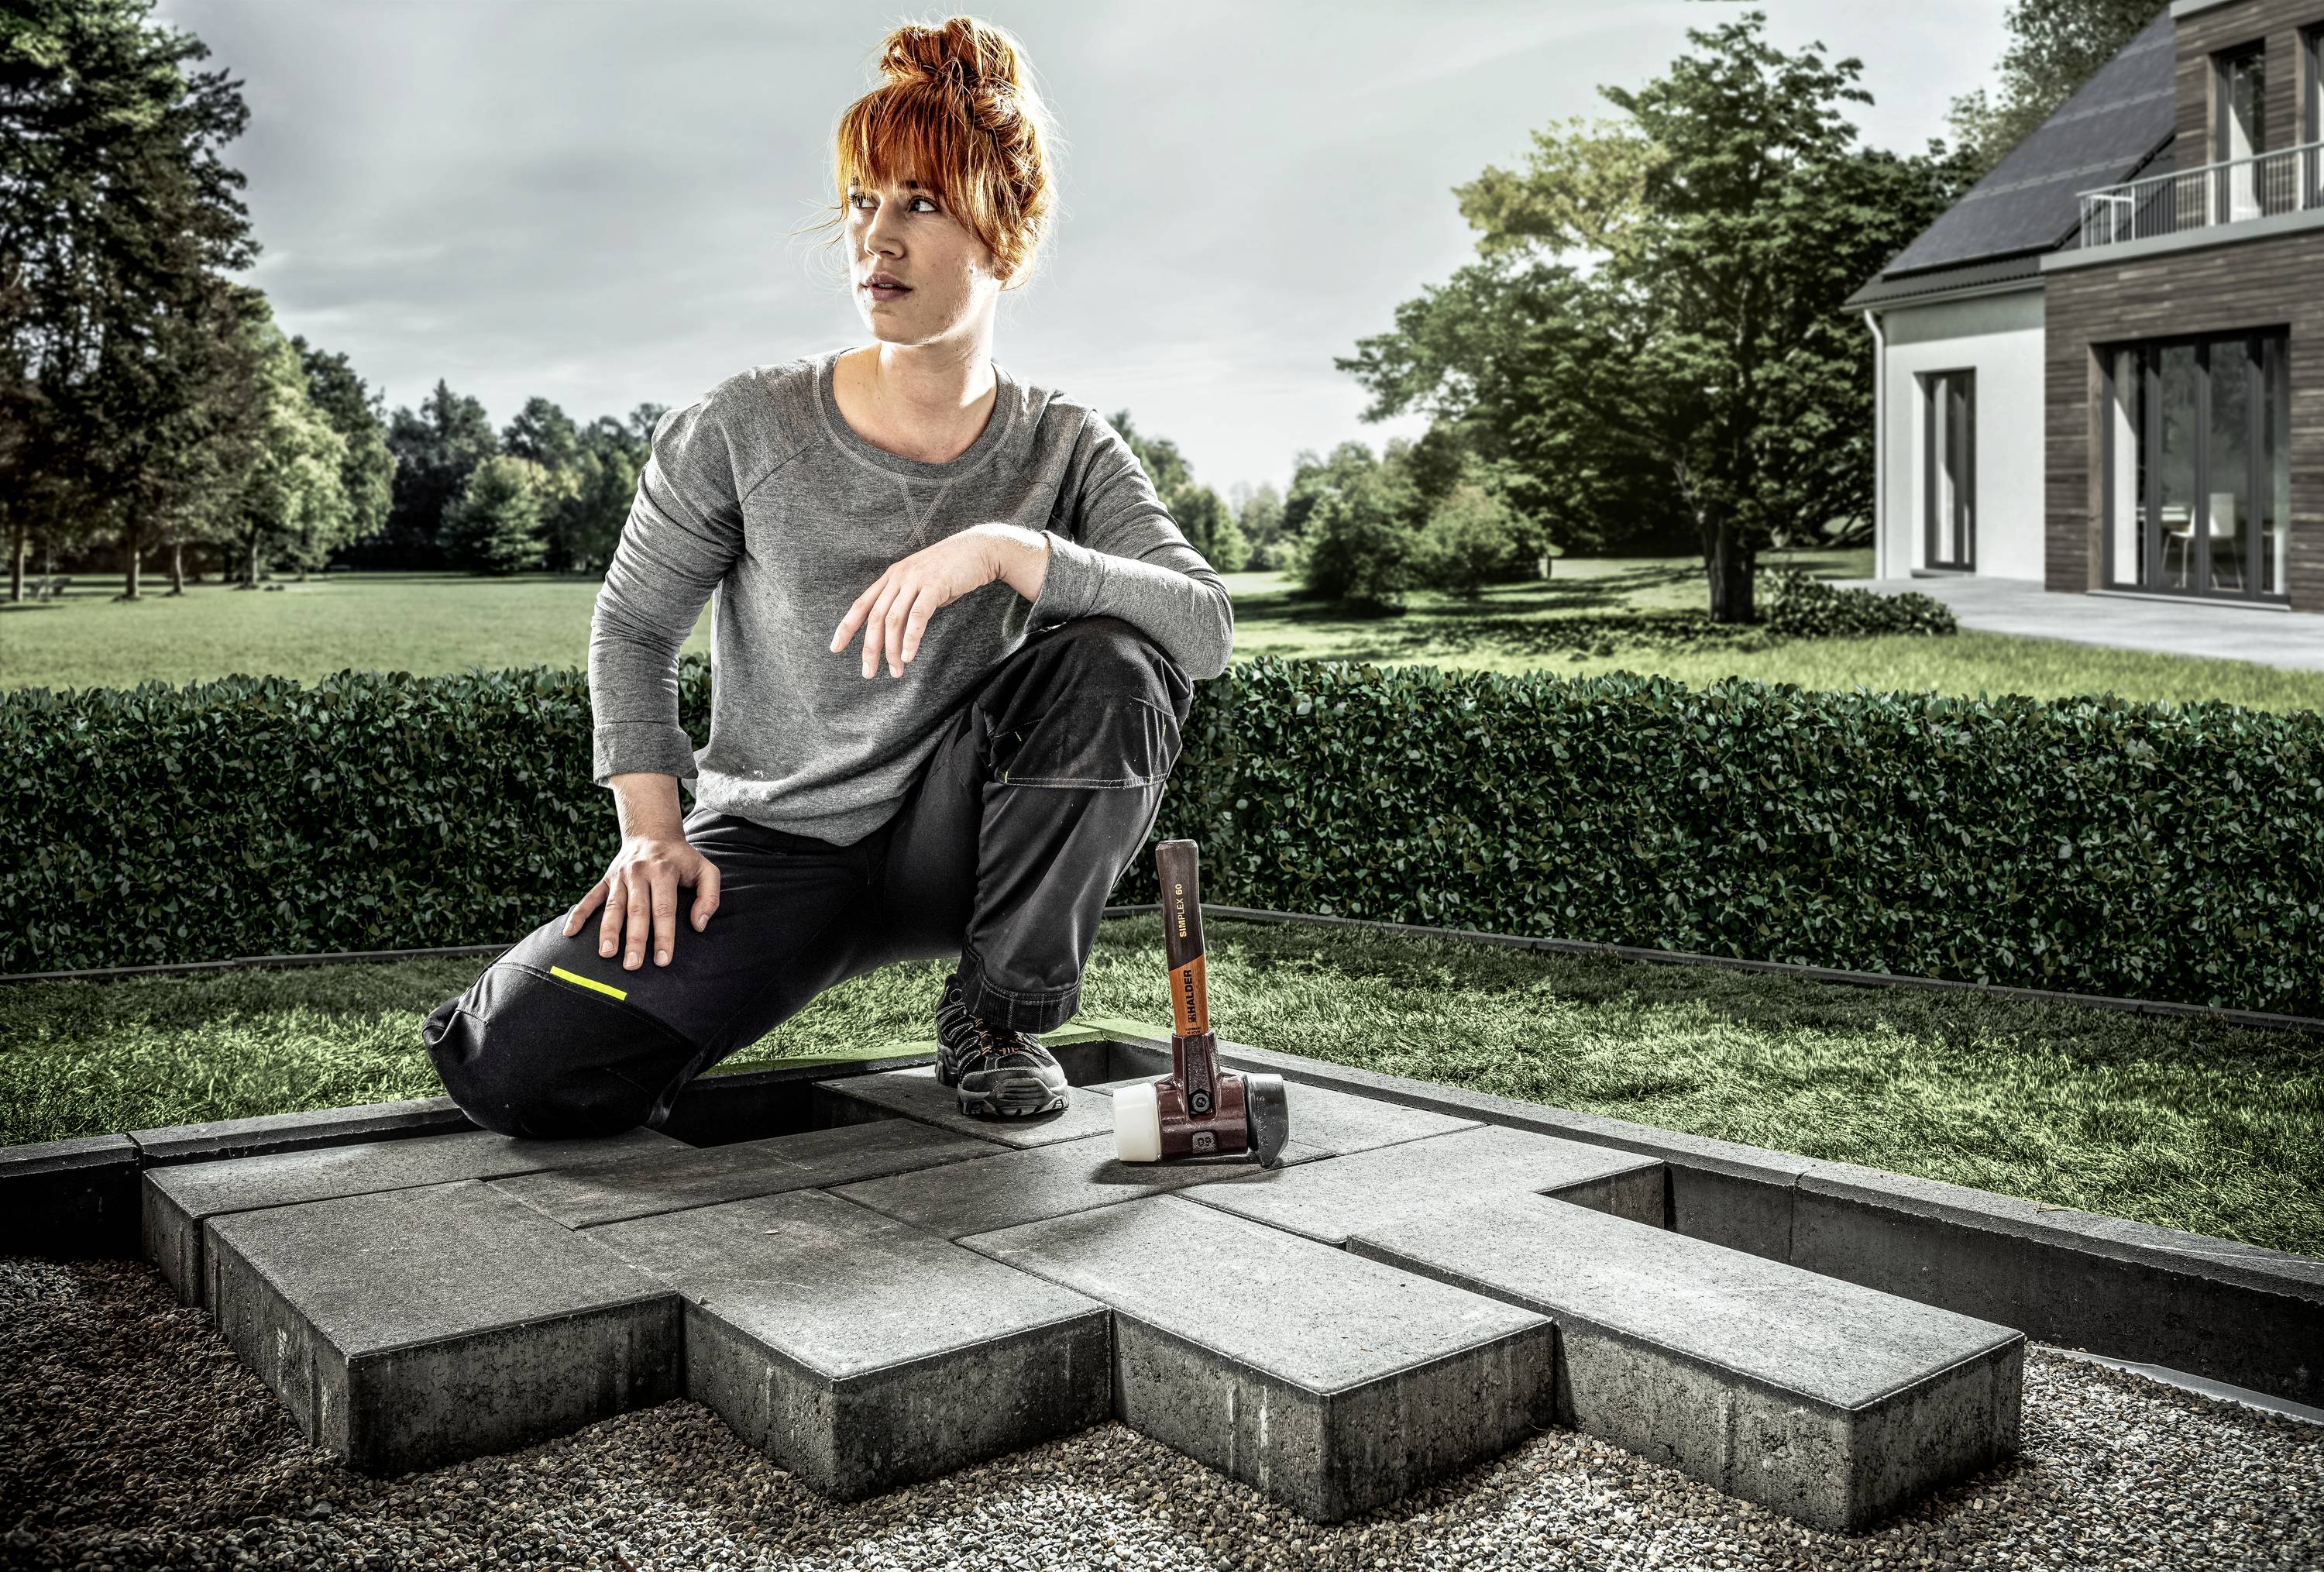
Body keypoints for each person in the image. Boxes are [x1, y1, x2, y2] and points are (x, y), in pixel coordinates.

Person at [421, 15, 1230, 1137]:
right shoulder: (744, 425)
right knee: (515, 1065)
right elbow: (634, 627)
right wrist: (652, 830)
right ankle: (729, 987)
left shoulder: (1069, 447)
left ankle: (996, 1015)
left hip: (959, 842)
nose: (876, 238)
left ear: (1003, 236)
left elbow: (1203, 630)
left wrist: (1007, 550)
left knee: (1116, 663)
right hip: (776, 847)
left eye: (922, 203)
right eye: (863, 199)